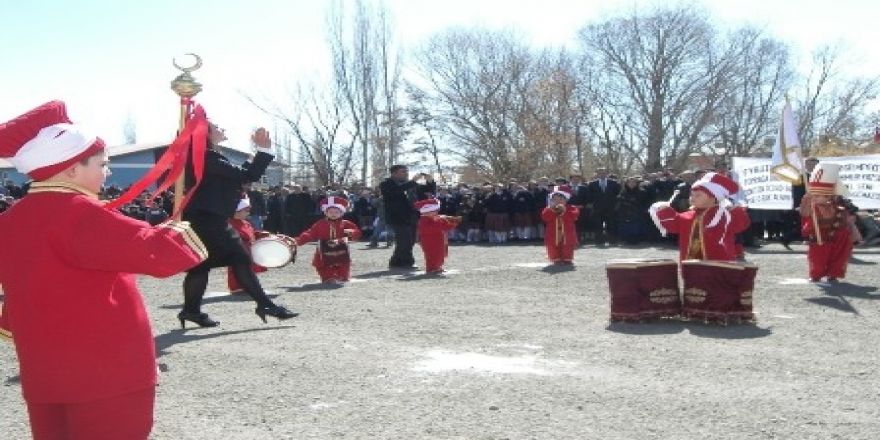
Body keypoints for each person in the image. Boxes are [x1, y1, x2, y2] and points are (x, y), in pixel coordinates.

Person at [0, 100, 207, 440]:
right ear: (70, 170)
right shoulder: (79, 213)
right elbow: (161, 255)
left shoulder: (11, 220)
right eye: (101, 164)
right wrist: (190, 222)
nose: (106, 172)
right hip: (105, 370)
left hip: (44, 370)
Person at [180, 122, 297, 328]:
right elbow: (247, 176)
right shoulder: (207, 156)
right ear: (205, 133)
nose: (223, 129)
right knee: (240, 258)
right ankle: (265, 304)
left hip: (204, 218)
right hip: (209, 218)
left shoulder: (205, 156)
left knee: (201, 266)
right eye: (217, 126)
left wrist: (257, 155)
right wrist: (263, 150)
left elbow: (237, 175)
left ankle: (191, 310)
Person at [649, 172, 750, 261]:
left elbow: (741, 225)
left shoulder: (725, 215)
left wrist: (736, 210)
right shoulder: (688, 215)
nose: (692, 198)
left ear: (714, 197)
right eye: (691, 195)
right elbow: (673, 226)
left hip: (719, 265)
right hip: (691, 266)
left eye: (698, 195)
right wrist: (664, 210)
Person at [800, 163, 859, 282]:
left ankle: (833, 274)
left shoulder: (839, 206)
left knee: (838, 256)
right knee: (817, 257)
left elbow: (848, 220)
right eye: (814, 195)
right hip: (819, 236)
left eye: (819, 196)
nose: (815, 198)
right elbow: (804, 214)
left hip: (838, 236)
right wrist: (806, 200)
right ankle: (816, 275)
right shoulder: (812, 206)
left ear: (828, 197)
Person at [379, 165, 436, 270]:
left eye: (407, 171)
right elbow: (396, 191)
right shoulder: (386, 184)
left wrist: (430, 181)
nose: (406, 173)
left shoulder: (410, 184)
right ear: (394, 173)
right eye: (403, 171)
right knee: (405, 239)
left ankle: (395, 262)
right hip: (397, 217)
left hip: (412, 216)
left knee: (410, 240)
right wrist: (412, 182)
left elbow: (427, 190)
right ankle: (408, 262)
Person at [294, 196, 362, 283]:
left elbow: (357, 232)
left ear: (341, 213)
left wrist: (352, 232)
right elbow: (310, 233)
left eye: (336, 212)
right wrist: (299, 241)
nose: (333, 214)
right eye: (330, 212)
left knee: (344, 264)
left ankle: (343, 276)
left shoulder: (346, 223)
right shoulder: (319, 224)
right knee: (322, 264)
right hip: (324, 249)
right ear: (325, 212)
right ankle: (328, 277)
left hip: (341, 249)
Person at [226, 196, 268, 294]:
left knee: (249, 269)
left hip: (247, 250)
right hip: (236, 251)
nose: (248, 213)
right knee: (236, 269)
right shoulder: (228, 223)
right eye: (246, 210)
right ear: (237, 211)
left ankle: (249, 286)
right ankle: (236, 288)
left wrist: (260, 234)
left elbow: (252, 233)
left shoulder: (245, 222)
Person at [415, 198, 461, 274]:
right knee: (432, 254)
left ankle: (438, 267)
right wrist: (444, 221)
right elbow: (433, 228)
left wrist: (454, 222)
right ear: (427, 211)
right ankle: (431, 268)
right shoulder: (423, 220)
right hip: (429, 240)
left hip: (438, 239)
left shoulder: (434, 218)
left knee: (440, 254)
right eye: (434, 211)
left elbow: (445, 227)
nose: (437, 212)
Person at [541, 185, 580, 265]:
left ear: (566, 199)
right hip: (552, 232)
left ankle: (567, 259)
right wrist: (551, 210)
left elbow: (573, 216)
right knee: (552, 245)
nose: (558, 201)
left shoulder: (572, 208)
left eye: (561, 199)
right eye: (555, 199)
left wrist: (563, 211)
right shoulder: (549, 208)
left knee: (567, 245)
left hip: (567, 232)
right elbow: (545, 218)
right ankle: (556, 259)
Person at [585, 168, 621, 245]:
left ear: (607, 174)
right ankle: (599, 241)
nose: (602, 174)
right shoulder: (592, 184)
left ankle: (612, 240)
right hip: (597, 208)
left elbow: (617, 194)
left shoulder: (614, 183)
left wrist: (615, 205)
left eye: (604, 173)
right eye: (600, 173)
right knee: (598, 225)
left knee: (611, 224)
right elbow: (589, 196)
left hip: (610, 207)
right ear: (597, 174)